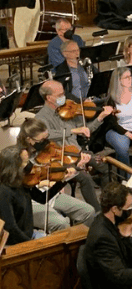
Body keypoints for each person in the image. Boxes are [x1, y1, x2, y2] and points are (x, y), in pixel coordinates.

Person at [35, 80, 110, 213]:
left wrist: (100, 117)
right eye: (60, 95)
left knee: (103, 164)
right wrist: (72, 131)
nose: (64, 97)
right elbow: (46, 135)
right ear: (49, 98)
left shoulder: (68, 110)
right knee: (85, 178)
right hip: (61, 159)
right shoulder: (40, 117)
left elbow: (86, 130)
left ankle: (108, 203)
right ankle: (98, 212)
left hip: (78, 151)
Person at [17, 120, 97, 231]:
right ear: (29, 140)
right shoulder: (20, 158)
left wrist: (76, 168)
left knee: (89, 211)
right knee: (61, 223)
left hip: (52, 194)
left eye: (47, 137)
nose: (46, 143)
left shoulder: (47, 151)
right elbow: (36, 194)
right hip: (32, 201)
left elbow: (56, 176)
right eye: (42, 140)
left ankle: (80, 243)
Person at [0, 146, 42, 242]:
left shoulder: (22, 181)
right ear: (14, 167)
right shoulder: (4, 191)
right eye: (25, 163)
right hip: (16, 242)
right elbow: (10, 227)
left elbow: (41, 198)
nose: (29, 166)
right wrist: (30, 243)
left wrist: (64, 178)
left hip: (29, 235)